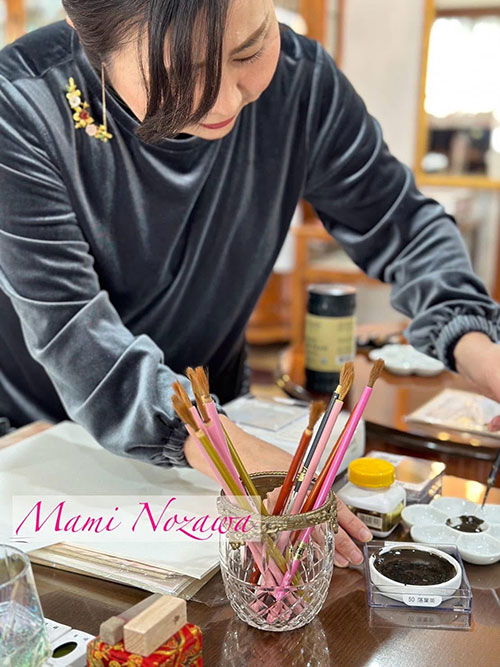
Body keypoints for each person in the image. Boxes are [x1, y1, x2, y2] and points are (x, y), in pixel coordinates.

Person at [0, 0, 499, 568]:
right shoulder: (21, 105)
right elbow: (74, 332)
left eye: (249, 50)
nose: (224, 102)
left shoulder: (300, 84)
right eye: (180, 75)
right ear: (85, 32)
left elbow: (400, 224)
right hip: (42, 449)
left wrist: (478, 347)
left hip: (212, 436)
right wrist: (219, 443)